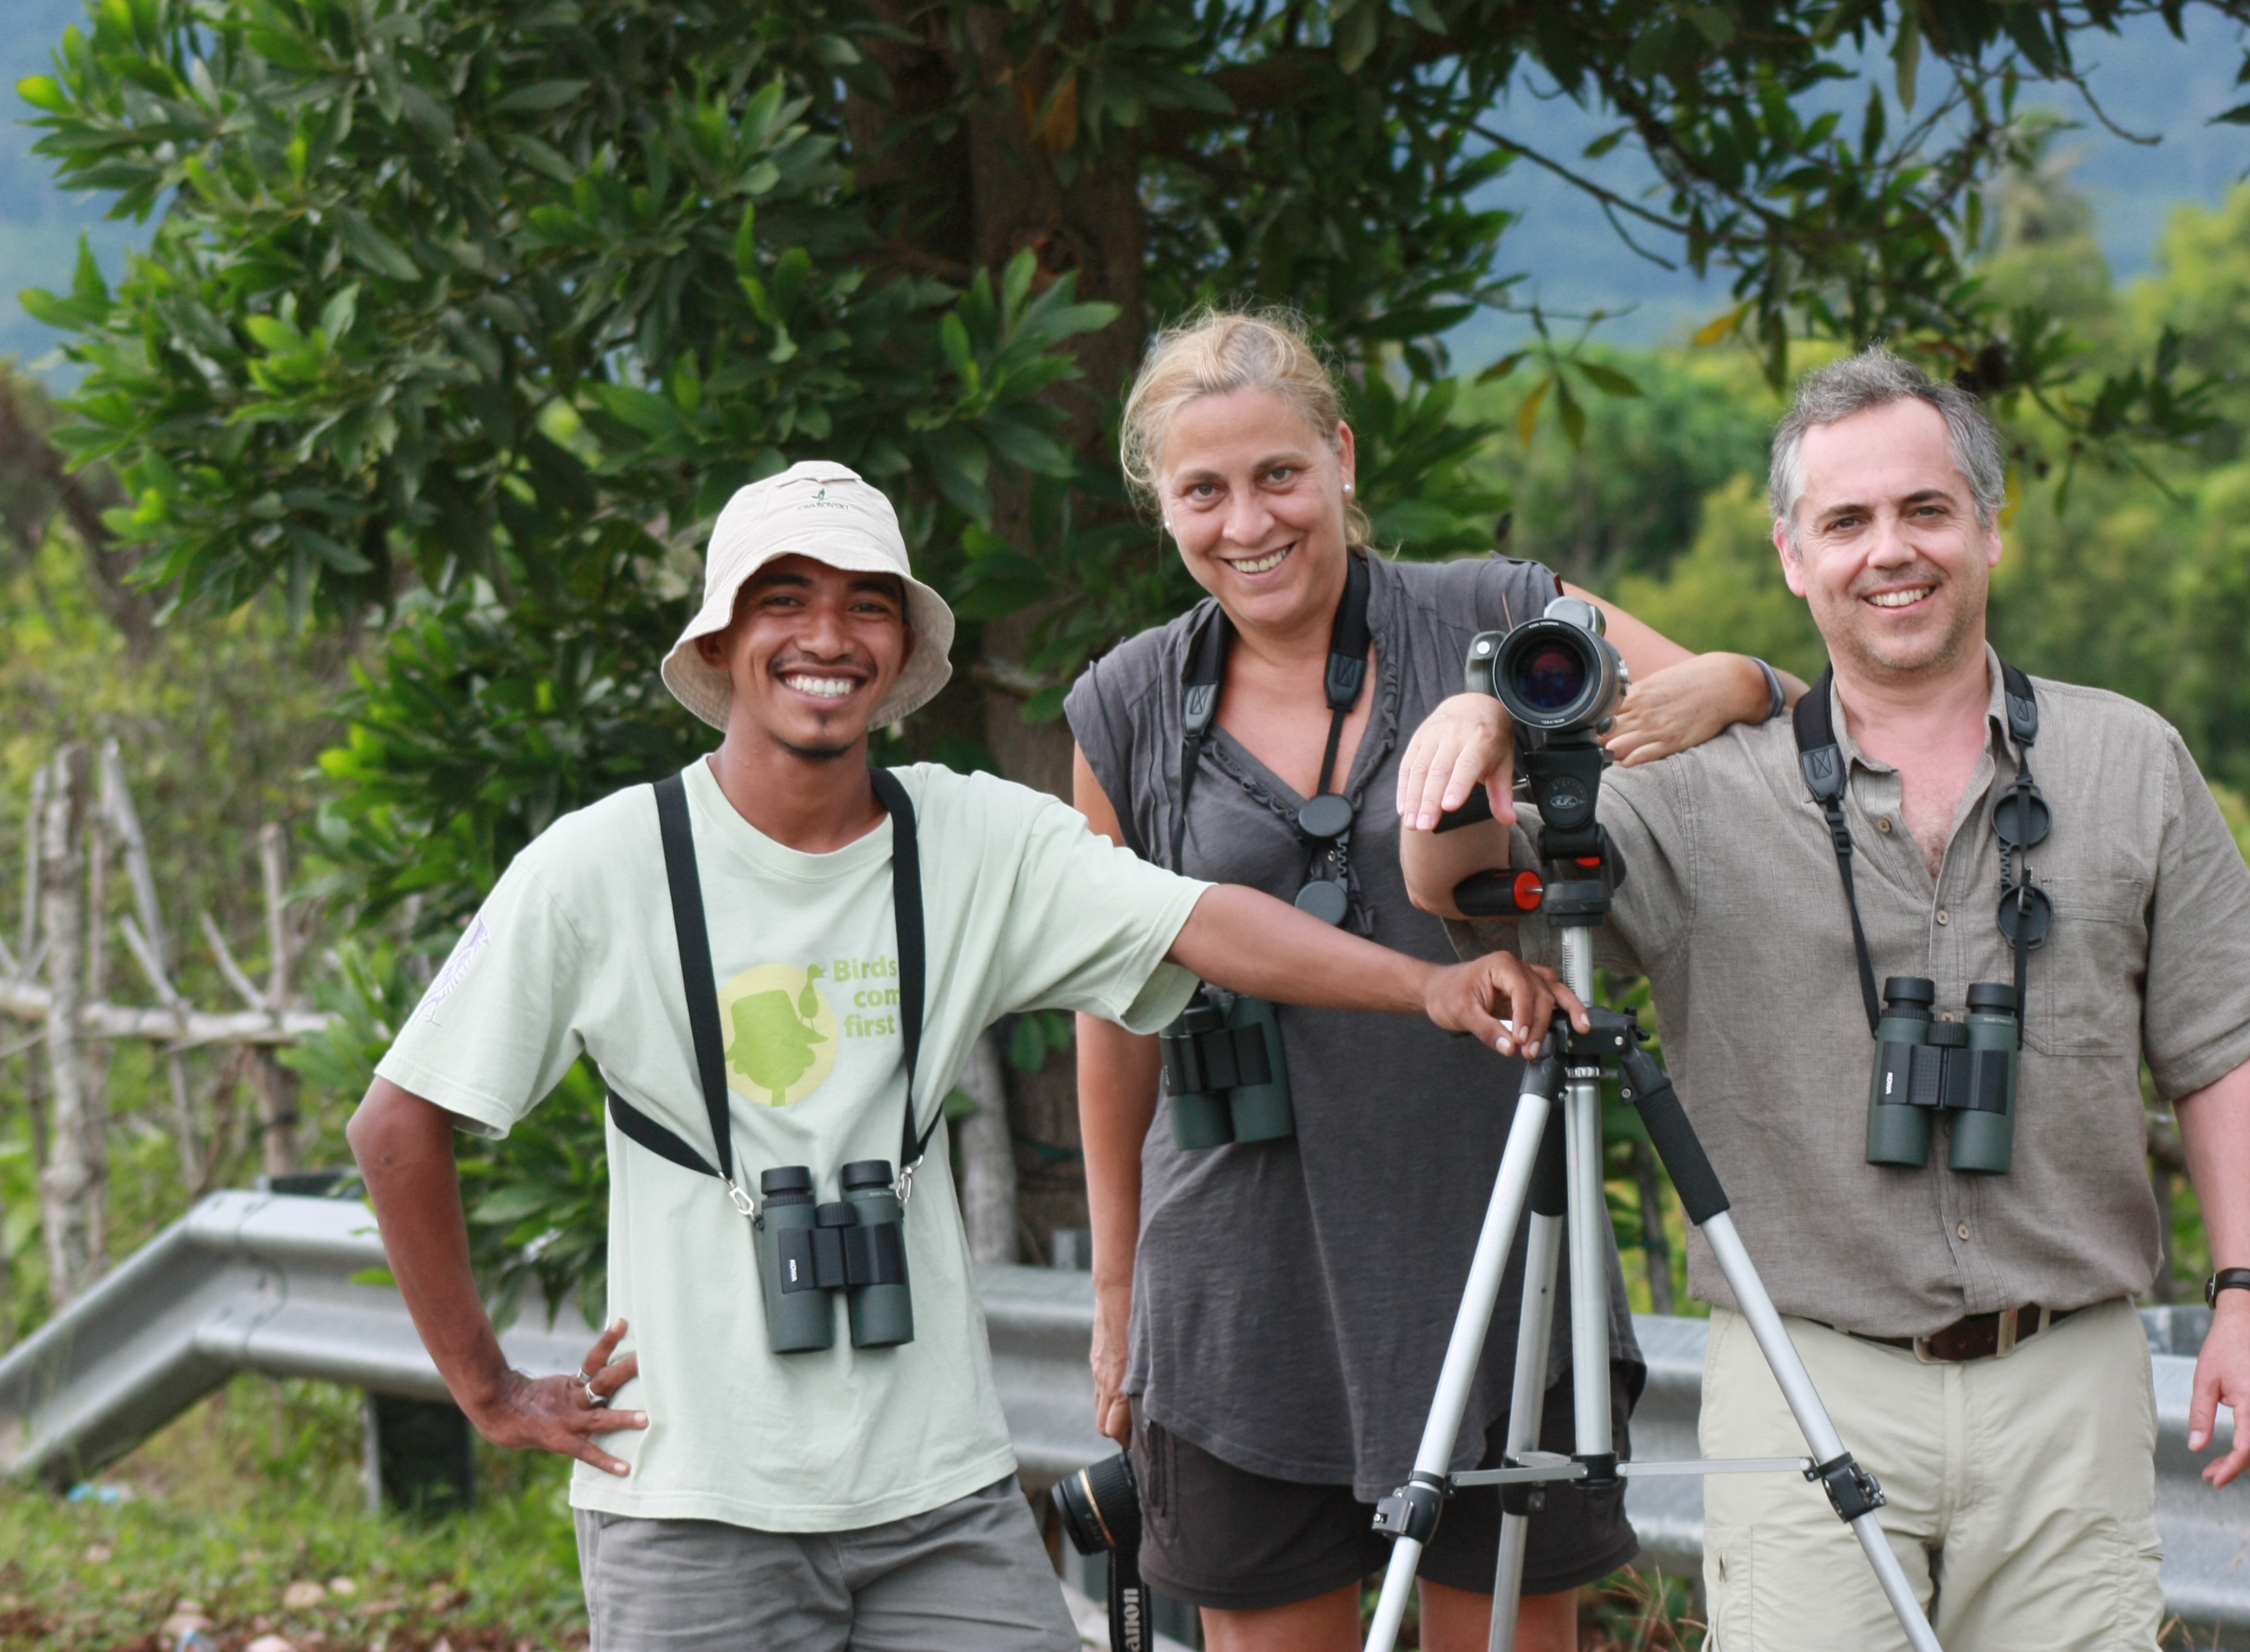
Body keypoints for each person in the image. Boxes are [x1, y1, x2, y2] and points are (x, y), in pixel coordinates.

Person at [346, 460, 1580, 1652]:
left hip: (940, 1497)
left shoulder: (972, 834)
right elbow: (397, 1124)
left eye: (864, 607)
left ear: (900, 657)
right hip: (691, 1502)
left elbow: (1201, 921)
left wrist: (1430, 985)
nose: (826, 637)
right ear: (718, 647)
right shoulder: (599, 865)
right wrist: (488, 1386)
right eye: (784, 601)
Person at [1400, 352, 2250, 1652]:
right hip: (1801, 1364)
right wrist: (1470, 745)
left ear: (1991, 525)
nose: (1893, 550)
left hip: (2072, 1375)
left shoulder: (2129, 758)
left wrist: (2245, 1295)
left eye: (1926, 510)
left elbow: (2221, 1050)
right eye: (1849, 521)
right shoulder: (1704, 785)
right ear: (1791, 553)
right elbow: (1476, 897)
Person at [1065, 310, 1797, 1652]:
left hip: (1490, 1233)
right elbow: (1115, 1010)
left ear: (1341, 457)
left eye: (1280, 473)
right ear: (1160, 506)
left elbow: (1755, 716)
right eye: (1203, 490)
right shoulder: (1123, 702)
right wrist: (1117, 1295)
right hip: (1236, 1273)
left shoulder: (1498, 613)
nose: (1249, 521)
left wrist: (1727, 674)